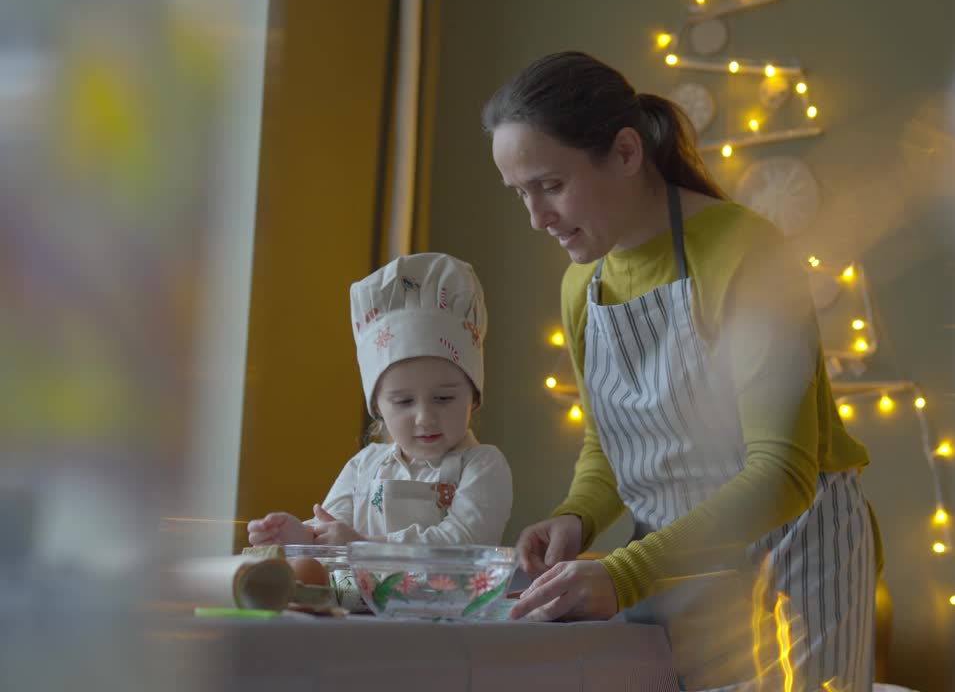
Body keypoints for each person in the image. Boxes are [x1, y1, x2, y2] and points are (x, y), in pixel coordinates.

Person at [485, 51, 880, 691]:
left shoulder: (748, 252)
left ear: (625, 151)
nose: (537, 218)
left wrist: (624, 573)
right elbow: (609, 445)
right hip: (676, 566)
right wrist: (577, 517)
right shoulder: (580, 285)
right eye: (520, 194)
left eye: (551, 185)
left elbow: (781, 474)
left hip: (797, 560)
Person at [246, 253, 513, 548]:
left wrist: (362, 544)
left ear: (473, 397)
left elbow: (463, 540)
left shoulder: (482, 465)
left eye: (443, 398)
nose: (424, 417)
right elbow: (331, 528)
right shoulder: (364, 466)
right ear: (378, 408)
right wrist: (299, 536)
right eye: (403, 402)